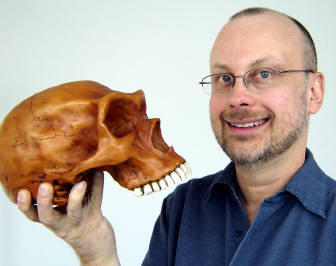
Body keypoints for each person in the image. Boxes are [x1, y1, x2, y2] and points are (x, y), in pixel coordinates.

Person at [16, 7, 335, 265]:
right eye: (224, 78)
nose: (238, 96)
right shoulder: (182, 209)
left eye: (263, 74)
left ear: (313, 92)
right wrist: (94, 249)